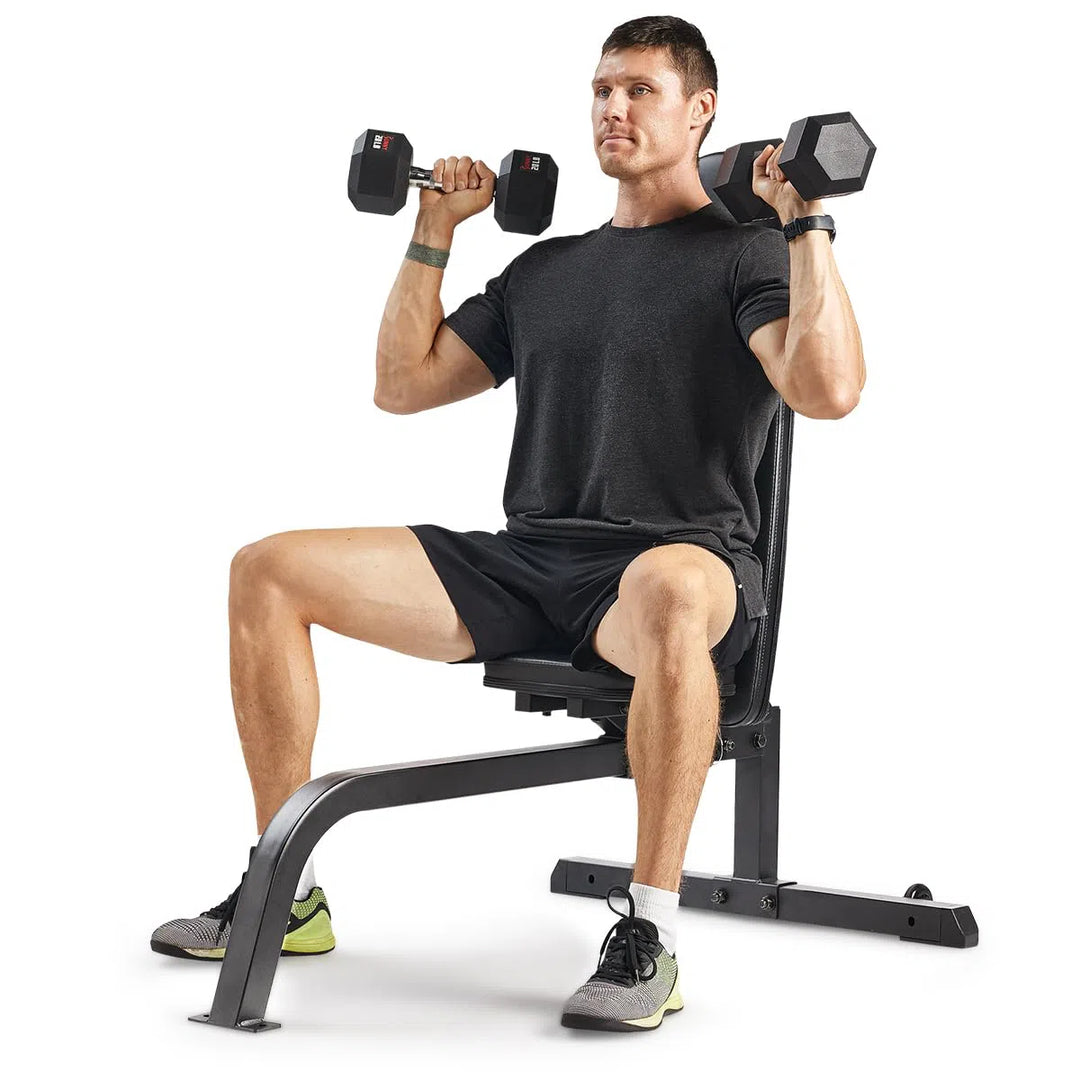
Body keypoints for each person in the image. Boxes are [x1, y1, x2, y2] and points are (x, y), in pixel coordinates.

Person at [151, 14, 865, 1033]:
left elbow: (827, 392)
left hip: (676, 567)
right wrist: (435, 232)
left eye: (641, 91)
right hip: (530, 562)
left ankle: (649, 931)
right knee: (266, 569)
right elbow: (404, 384)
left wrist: (809, 226)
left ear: (703, 111)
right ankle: (284, 893)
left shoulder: (746, 254)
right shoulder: (550, 272)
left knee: (666, 585)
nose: (613, 109)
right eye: (600, 90)